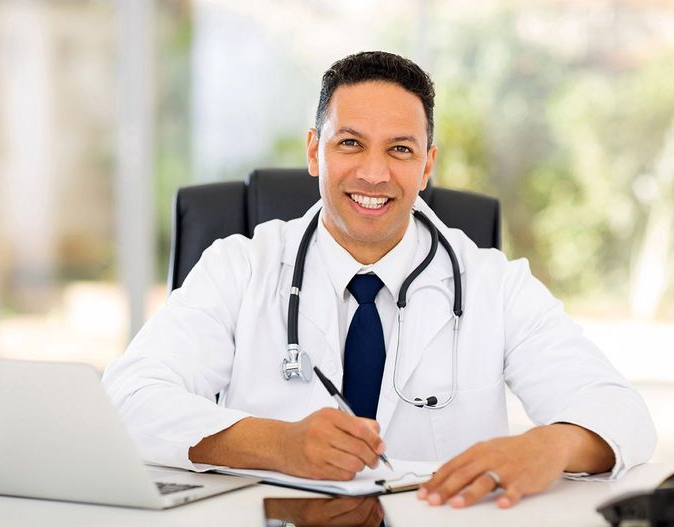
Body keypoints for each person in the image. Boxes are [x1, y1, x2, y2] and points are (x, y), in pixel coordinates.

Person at [102, 51, 656, 509]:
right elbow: (128, 397)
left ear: (427, 164)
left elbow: (622, 413)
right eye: (350, 143)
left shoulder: (494, 284)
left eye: (400, 149)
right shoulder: (240, 266)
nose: (374, 172)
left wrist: (549, 445)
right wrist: (277, 444)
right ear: (314, 151)